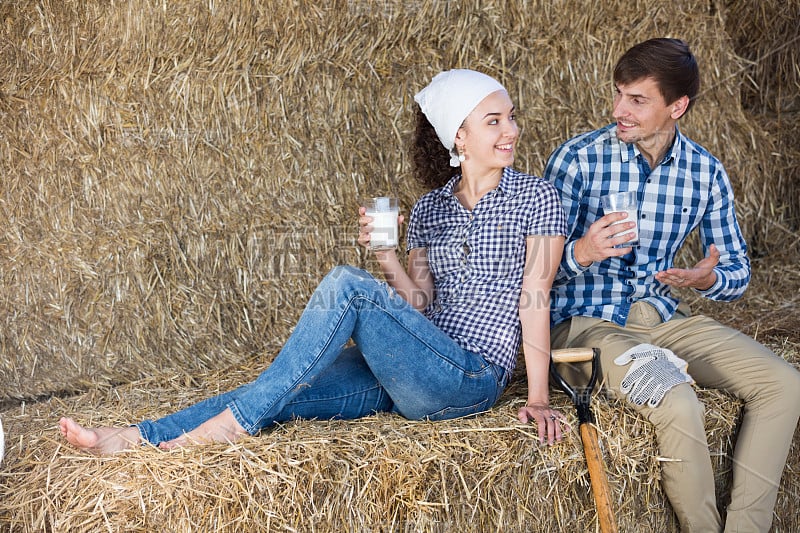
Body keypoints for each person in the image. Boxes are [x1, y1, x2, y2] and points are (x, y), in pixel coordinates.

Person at [60, 68, 569, 454]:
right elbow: (418, 303)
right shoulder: (432, 208)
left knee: (347, 285)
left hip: (468, 379)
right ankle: (131, 439)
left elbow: (535, 295)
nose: (512, 130)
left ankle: (230, 427)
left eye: (510, 117)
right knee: (280, 388)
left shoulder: (538, 198)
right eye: (494, 120)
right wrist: (388, 255)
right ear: (458, 136)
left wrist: (540, 397)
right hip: (408, 369)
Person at [543, 38, 800, 532]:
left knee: (784, 384)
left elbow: (738, 274)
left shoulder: (704, 173)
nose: (619, 109)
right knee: (677, 398)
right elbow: (529, 273)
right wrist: (583, 251)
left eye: (637, 100)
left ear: (677, 106)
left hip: (662, 318)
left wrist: (710, 278)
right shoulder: (576, 160)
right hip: (586, 324)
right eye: (619, 94)